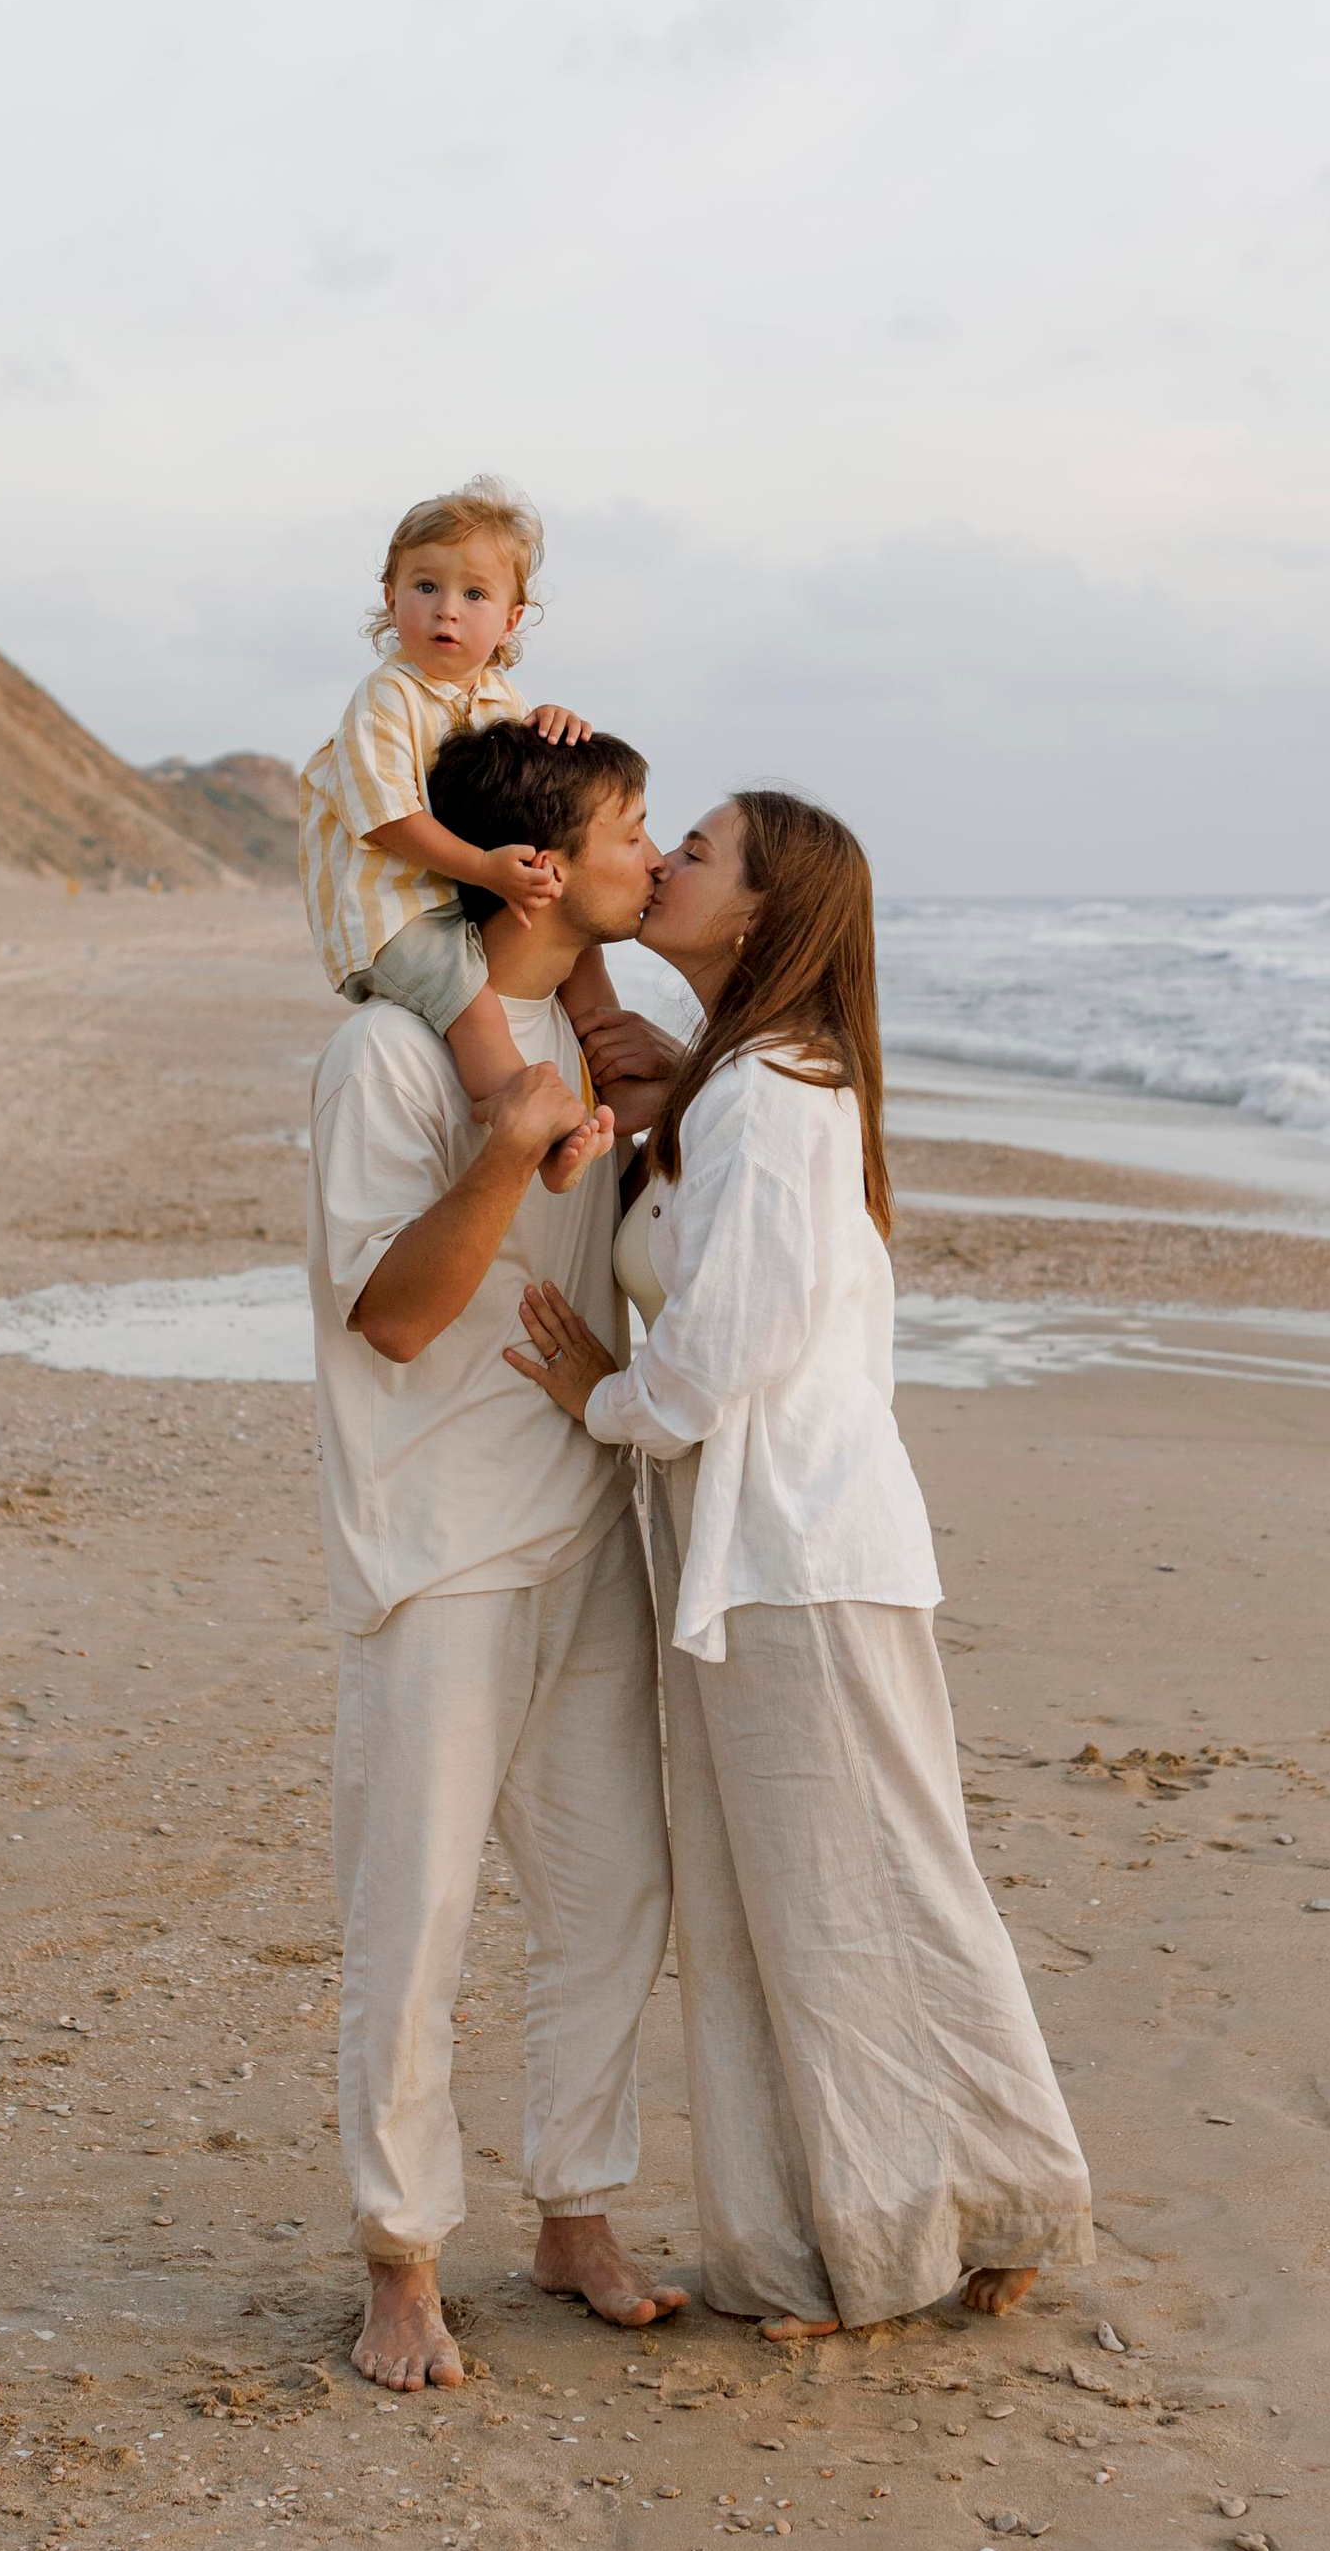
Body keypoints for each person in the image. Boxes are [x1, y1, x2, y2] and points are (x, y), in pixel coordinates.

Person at [507, 792, 1094, 2339]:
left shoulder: (773, 1089)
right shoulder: (737, 1081)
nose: (670, 864)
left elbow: (729, 1354)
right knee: (791, 1907)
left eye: (695, 851)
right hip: (750, 1549)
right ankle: (863, 2236)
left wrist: (600, 1401)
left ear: (761, 913)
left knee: (864, 1897)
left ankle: (962, 2214)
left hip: (797, 1551)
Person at [305, 716, 684, 2388]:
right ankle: (402, 2256)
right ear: (546, 863)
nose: (653, 857)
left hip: (586, 1522)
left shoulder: (614, 1031)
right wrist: (509, 1141)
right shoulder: (392, 1055)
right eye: (631, 830)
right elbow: (388, 1319)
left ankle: (576, 2207)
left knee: (613, 1890)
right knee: (421, 1914)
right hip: (438, 1545)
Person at [293, 475, 619, 1182]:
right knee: (474, 1006)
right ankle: (528, 1134)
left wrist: (552, 724)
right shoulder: (387, 696)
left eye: (475, 594)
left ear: (511, 619)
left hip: (459, 893)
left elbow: (523, 785)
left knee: (573, 946)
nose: (447, 611)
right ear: (390, 594)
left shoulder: (503, 695)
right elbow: (390, 823)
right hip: (393, 911)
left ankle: (614, 1072)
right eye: (425, 587)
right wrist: (486, 871)